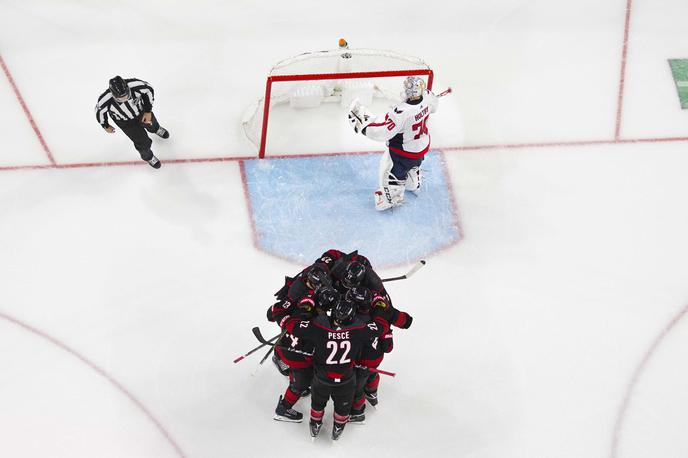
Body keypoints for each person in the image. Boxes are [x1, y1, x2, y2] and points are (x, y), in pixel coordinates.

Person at [281, 298, 388, 441]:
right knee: (342, 409)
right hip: (346, 381)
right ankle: (338, 428)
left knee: (318, 405)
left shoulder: (320, 330)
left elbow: (293, 327)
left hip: (321, 380)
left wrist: (300, 313)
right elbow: (382, 326)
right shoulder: (358, 331)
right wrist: (379, 309)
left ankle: (315, 424)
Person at [348, 76, 440, 210]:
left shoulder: (401, 112)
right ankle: (413, 181)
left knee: (390, 172)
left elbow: (384, 132)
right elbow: (434, 106)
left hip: (402, 153)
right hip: (421, 147)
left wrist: (364, 126)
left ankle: (391, 198)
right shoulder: (427, 96)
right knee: (413, 164)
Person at [95, 76, 169, 169]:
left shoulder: (136, 85)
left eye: (126, 95)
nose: (125, 99)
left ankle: (156, 129)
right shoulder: (105, 100)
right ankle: (148, 157)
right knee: (142, 142)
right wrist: (105, 125)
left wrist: (148, 111)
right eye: (121, 98)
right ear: (113, 94)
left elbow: (149, 89)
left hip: (141, 112)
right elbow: (99, 112)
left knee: (152, 123)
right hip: (126, 122)